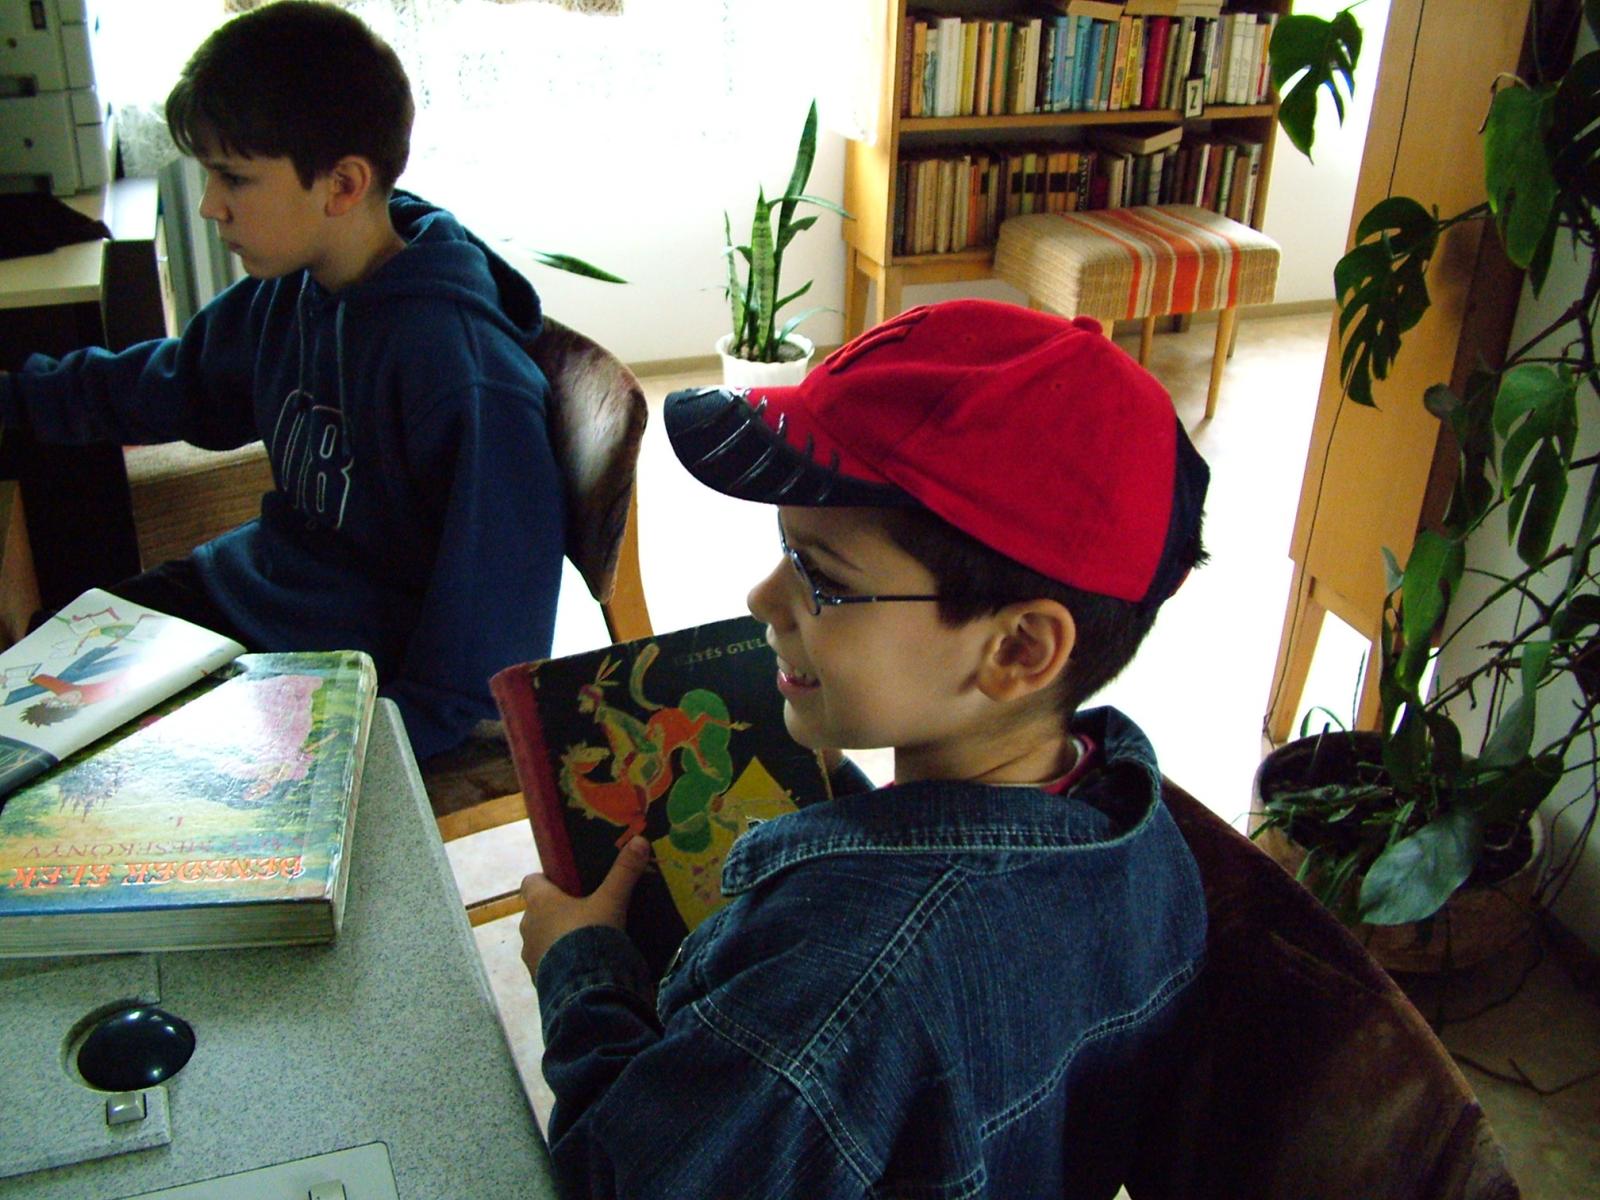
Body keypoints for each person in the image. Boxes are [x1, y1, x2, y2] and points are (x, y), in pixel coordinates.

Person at [518, 298, 1211, 1198]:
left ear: (1019, 649)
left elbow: (621, 1180)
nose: (763, 599)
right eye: (785, 550)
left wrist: (581, 973)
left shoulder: (832, 994)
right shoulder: (1144, 837)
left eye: (821, 577)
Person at [0, 1, 564, 760]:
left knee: (53, 756)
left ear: (342, 185)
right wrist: (17, 400)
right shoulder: (297, 286)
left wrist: (368, 756)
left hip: (344, 677)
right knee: (28, 695)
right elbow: (177, 384)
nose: (210, 205)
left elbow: (487, 654)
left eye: (233, 178)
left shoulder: (464, 377)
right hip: (249, 597)